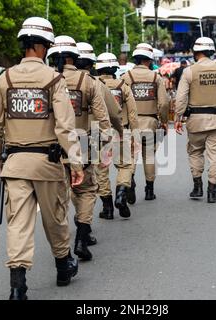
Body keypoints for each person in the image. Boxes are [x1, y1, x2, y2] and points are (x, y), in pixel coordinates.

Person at [0, 17, 84, 300]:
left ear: (25, 44)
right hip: (48, 164)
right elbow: (65, 127)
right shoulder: (54, 80)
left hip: (15, 163)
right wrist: (76, 163)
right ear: (43, 47)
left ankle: (18, 287)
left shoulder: (5, 79)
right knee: (55, 219)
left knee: (18, 224)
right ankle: (64, 266)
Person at [47, 35, 112, 261]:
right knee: (85, 191)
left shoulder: (49, 80)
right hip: (83, 145)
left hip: (54, 148)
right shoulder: (90, 83)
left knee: (59, 198)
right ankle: (82, 239)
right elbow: (104, 119)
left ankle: (62, 252)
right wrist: (107, 144)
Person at [175, 37, 216, 203]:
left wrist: (177, 117)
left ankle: (197, 187)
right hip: (215, 120)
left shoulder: (189, 71)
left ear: (195, 53)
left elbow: (180, 97)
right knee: (214, 156)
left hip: (194, 120)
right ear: (211, 52)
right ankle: (212, 191)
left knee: (195, 152)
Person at [75, 44, 125, 221]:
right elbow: (113, 113)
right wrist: (118, 132)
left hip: (65, 139)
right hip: (93, 134)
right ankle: (106, 207)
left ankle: (80, 215)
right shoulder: (96, 84)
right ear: (91, 63)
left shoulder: (57, 81)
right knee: (98, 172)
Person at [122, 43, 169, 201]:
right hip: (150, 122)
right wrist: (163, 121)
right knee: (149, 155)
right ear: (149, 60)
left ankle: (130, 181)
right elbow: (163, 103)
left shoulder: (126, 77)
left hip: (131, 123)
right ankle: (149, 191)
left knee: (131, 156)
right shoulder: (156, 77)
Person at [96, 52, 140, 218]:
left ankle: (107, 208)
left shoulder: (94, 85)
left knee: (101, 170)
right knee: (125, 165)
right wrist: (135, 136)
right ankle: (121, 193)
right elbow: (133, 115)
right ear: (115, 67)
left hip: (97, 133)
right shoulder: (123, 86)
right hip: (122, 131)